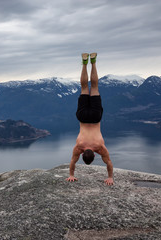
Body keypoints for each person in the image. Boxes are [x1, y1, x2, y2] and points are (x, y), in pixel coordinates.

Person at [66, 53, 114, 186]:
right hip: (82, 117)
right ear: (83, 155)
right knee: (84, 88)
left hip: (95, 117)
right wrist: (70, 175)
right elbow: (72, 162)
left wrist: (110, 177)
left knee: (94, 87)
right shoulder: (79, 147)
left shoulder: (99, 147)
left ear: (95, 155)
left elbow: (109, 163)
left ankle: (93, 62)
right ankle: (85, 62)